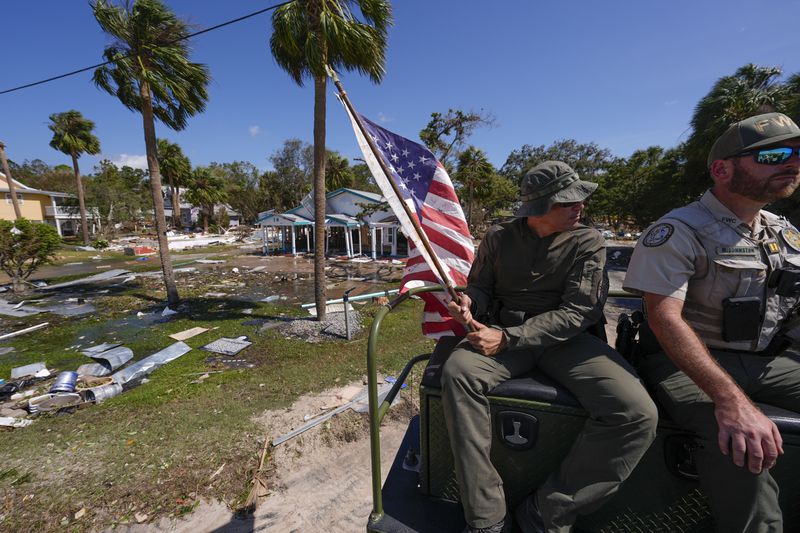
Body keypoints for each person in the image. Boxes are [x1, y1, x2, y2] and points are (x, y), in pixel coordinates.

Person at [442, 161, 658, 533]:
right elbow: (480, 287)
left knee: (637, 413)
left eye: (579, 199)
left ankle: (548, 510)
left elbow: (579, 312)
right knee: (457, 373)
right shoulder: (498, 237)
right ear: (538, 207)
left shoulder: (587, 241)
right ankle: (486, 517)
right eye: (567, 202)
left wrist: (508, 338)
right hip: (505, 335)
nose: (580, 206)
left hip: (566, 342)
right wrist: (468, 302)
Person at [624, 112, 800, 532]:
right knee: (739, 442)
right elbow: (664, 319)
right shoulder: (678, 229)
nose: (791, 163)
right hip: (686, 360)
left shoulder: (781, 230)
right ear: (722, 169)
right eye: (774, 154)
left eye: (797, 154)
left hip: (769, 360)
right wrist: (731, 400)